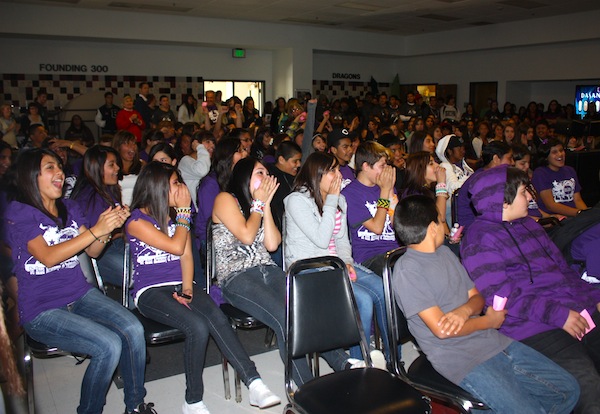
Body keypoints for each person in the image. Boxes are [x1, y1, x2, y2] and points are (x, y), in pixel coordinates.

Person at [393, 194, 579, 413]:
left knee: (568, 390)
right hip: (461, 358)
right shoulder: (408, 270)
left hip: (491, 341)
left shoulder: (445, 253)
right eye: (440, 220)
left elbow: (477, 297)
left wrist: (464, 311)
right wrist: (489, 321)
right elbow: (443, 331)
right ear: (433, 227)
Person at [5, 148, 156, 414]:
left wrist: (106, 229)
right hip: (42, 309)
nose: (60, 173)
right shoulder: (20, 213)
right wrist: (97, 230)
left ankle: (135, 405)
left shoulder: (70, 207)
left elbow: (94, 251)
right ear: (31, 176)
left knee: (133, 328)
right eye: (50, 167)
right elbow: (48, 257)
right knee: (108, 345)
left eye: (60, 167)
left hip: (80, 295)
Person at [126, 162, 280, 414]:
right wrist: (185, 213)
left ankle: (254, 382)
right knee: (196, 327)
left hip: (181, 284)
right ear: (157, 187)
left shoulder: (176, 218)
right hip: (151, 291)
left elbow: (186, 257)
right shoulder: (137, 221)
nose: (182, 187)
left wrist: (187, 289)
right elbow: (176, 247)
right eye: (176, 183)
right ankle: (193, 400)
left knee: (217, 317)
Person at [461, 164, 600, 413]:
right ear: (503, 201)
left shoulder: (530, 226)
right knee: (587, 386)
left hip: (570, 309)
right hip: (530, 326)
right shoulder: (480, 239)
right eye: (525, 192)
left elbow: (564, 273)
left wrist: (594, 298)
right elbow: (502, 298)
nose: (530, 198)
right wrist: (560, 315)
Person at [212, 157, 353, 386]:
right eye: (260, 173)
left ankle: (340, 361)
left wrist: (265, 205)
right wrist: (259, 204)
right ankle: (307, 386)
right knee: (283, 314)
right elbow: (247, 236)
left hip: (267, 269)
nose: (267, 178)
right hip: (237, 277)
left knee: (304, 305)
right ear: (245, 177)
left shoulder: (257, 205)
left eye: (267, 173)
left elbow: (272, 244)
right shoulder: (225, 199)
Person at [285, 152, 389, 364]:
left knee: (382, 289)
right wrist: (331, 200)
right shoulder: (296, 200)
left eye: (337, 169)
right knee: (362, 301)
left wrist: (348, 262)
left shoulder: (339, 199)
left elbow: (342, 242)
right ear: (317, 174)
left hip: (336, 263)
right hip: (309, 268)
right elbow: (322, 240)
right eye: (331, 170)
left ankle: (392, 357)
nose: (339, 174)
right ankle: (360, 363)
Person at [70, 145, 126, 286]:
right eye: (111, 165)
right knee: (135, 272)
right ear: (97, 168)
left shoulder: (108, 190)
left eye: (116, 164)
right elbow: (91, 242)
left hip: (115, 245)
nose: (117, 168)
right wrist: (122, 231)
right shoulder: (89, 197)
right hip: (101, 253)